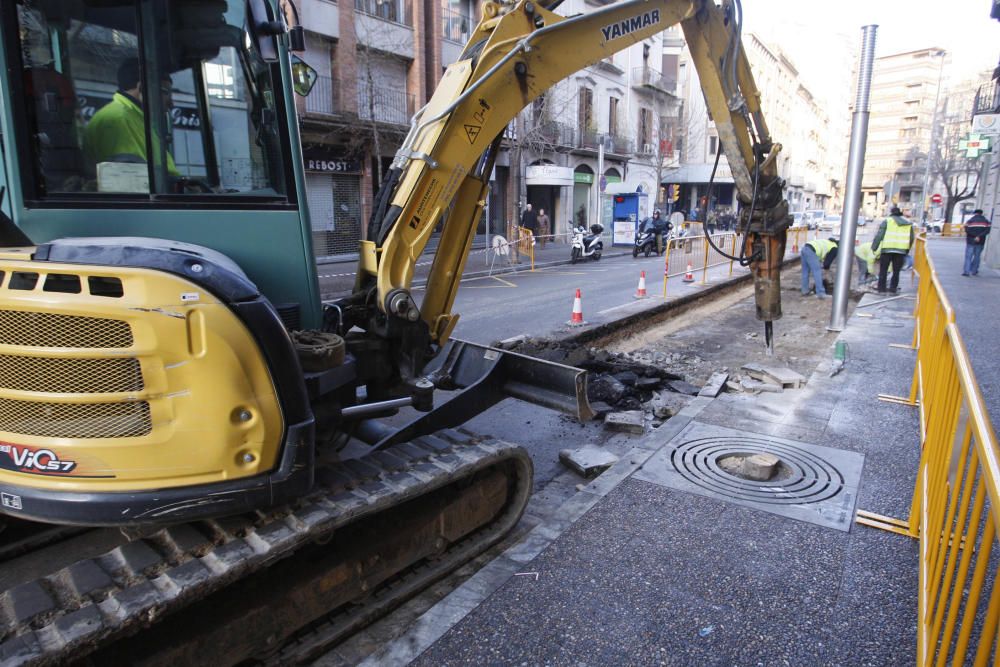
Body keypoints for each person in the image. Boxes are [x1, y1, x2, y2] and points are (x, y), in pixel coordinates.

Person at [83, 59, 180, 178]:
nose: (172, 103)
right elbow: (134, 180)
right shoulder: (120, 119)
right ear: (142, 88)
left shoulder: (134, 117)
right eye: (166, 93)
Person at [871, 206, 914, 293]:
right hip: (901, 251)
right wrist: (907, 249)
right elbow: (911, 238)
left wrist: (874, 247)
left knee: (883, 270)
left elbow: (879, 235)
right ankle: (893, 288)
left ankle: (881, 289)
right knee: (896, 271)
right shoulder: (908, 223)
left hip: (887, 250)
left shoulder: (887, 221)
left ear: (891, 212)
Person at [962, 209, 991, 276]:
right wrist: (979, 236)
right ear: (981, 213)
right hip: (980, 241)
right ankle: (974, 271)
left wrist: (974, 236)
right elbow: (987, 231)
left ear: (975, 213)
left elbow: (967, 230)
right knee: (977, 256)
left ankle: (966, 271)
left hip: (970, 241)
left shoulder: (970, 221)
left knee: (968, 257)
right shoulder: (986, 222)